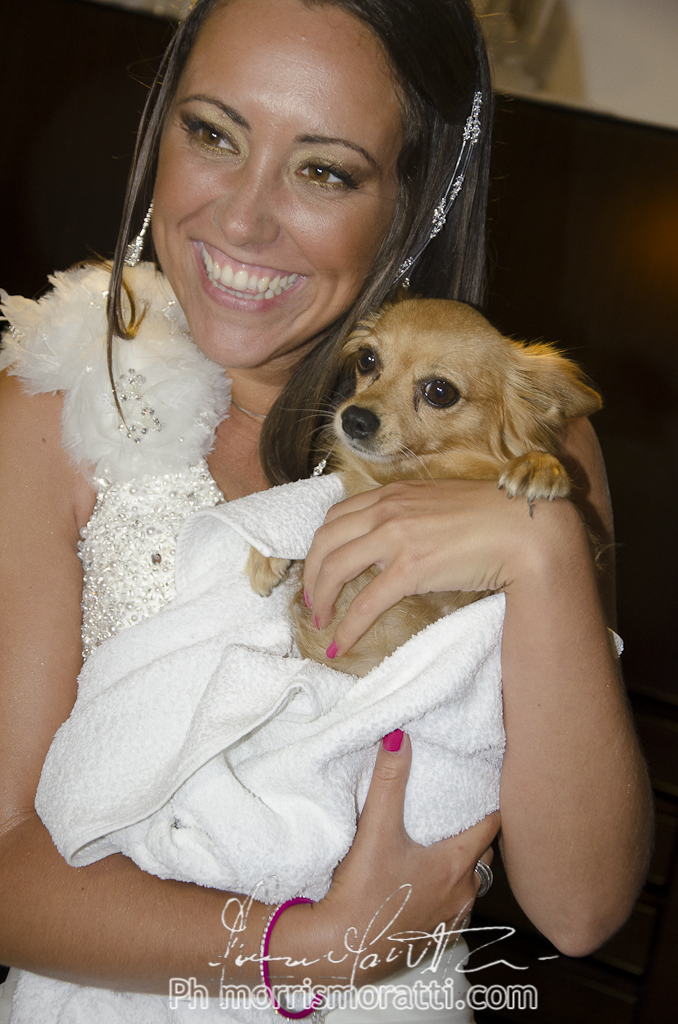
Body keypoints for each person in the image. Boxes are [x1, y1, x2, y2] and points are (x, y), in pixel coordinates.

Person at [0, 0, 652, 1021]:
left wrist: (547, 553)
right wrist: (308, 950)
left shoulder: (527, 447)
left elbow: (579, 910)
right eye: (213, 133)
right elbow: (8, 866)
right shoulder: (56, 409)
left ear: (414, 200)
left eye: (325, 171)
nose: (242, 219)